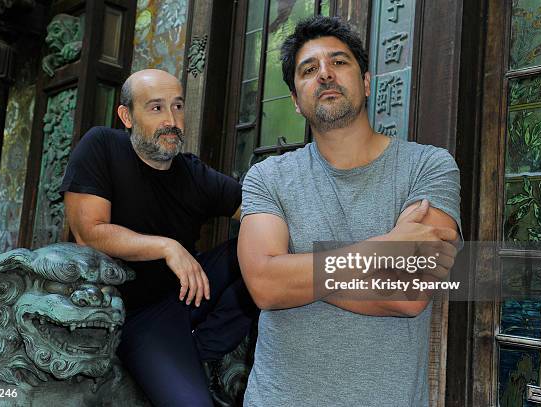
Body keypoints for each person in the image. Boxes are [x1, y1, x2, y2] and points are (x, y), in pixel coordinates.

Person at [238, 16, 461, 406]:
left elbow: (408, 294)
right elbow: (264, 286)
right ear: (294, 99)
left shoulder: (428, 167)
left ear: (367, 83)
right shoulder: (267, 177)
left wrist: (293, 267)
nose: (325, 74)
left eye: (339, 62)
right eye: (309, 70)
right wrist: (387, 246)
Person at [60, 69, 257, 407]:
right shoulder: (102, 147)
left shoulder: (193, 173)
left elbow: (258, 213)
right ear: (127, 115)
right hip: (135, 315)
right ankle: (177, 356)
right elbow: (89, 232)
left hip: (190, 294)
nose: (172, 120)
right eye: (156, 108)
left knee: (257, 247)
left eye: (178, 107)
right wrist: (166, 247)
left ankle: (200, 348)